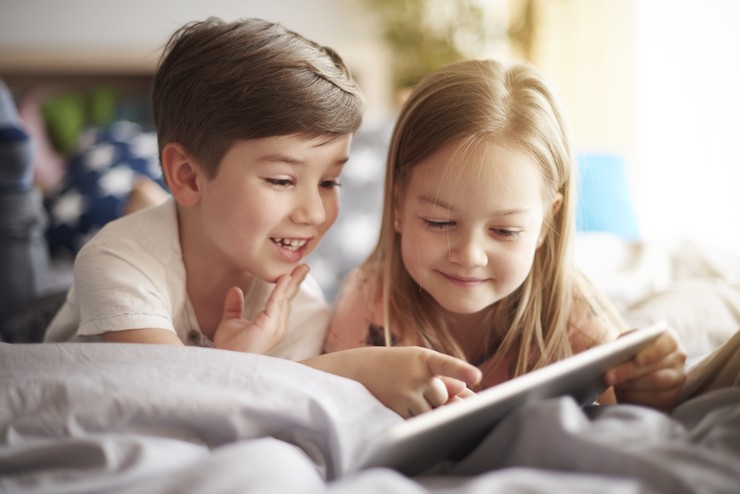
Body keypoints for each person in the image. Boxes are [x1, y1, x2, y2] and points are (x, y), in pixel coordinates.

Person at [43, 17, 481, 418]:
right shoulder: (116, 262)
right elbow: (164, 402)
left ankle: (150, 203)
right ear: (188, 176)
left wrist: (243, 360)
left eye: (330, 183)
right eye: (281, 180)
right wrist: (358, 369)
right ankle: (146, 206)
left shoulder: (297, 299)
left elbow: (268, 409)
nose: (313, 213)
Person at [326, 58, 687, 411]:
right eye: (439, 222)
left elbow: (626, 405)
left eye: (505, 230)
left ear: (548, 222)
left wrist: (648, 389)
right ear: (397, 207)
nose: (469, 255)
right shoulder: (367, 303)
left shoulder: (568, 310)